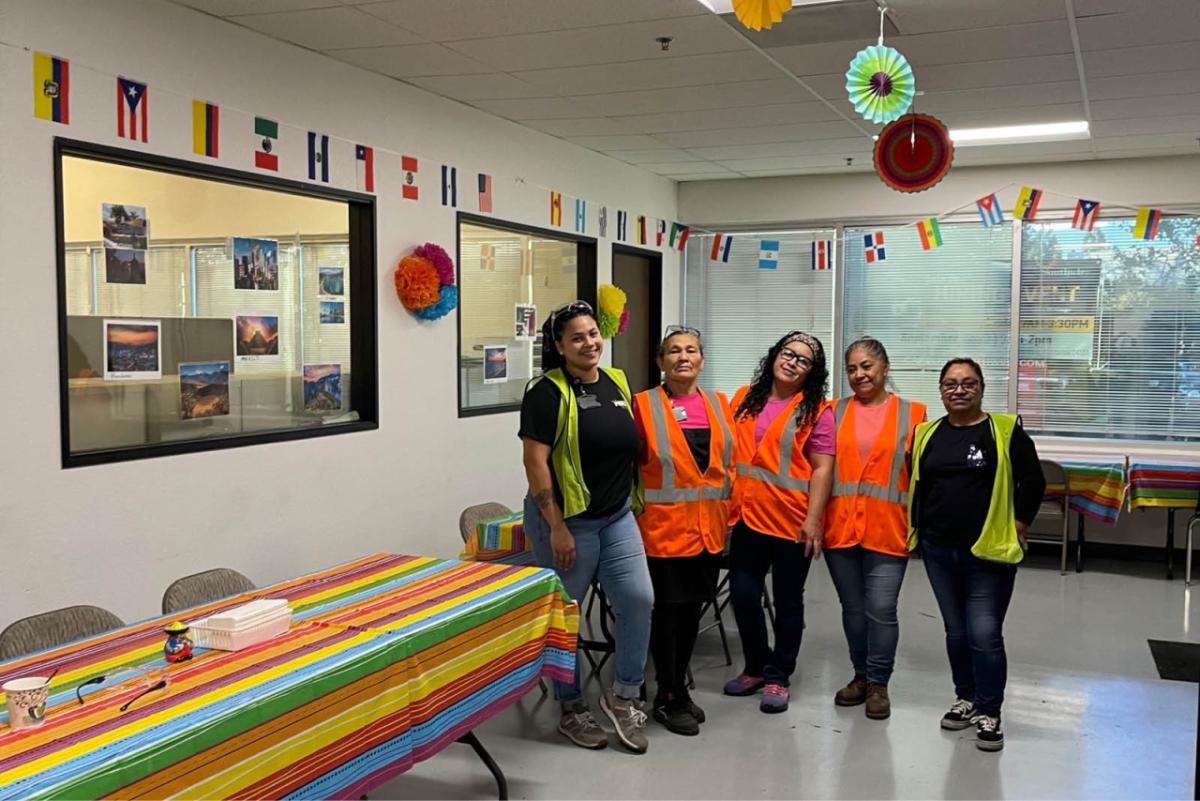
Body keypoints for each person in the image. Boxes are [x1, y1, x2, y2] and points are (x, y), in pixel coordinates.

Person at [519, 300, 654, 754]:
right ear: (559, 346)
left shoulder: (617, 380)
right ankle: (571, 708)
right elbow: (535, 463)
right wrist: (556, 526)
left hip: (616, 518)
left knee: (638, 599)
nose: (589, 343)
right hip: (568, 524)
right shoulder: (546, 392)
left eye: (593, 333)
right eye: (576, 337)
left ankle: (623, 695)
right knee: (566, 618)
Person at [908, 357, 1046, 752]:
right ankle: (966, 698)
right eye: (950, 384)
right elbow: (918, 482)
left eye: (968, 383)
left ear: (982, 388)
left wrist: (1018, 528)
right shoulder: (925, 433)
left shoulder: (1003, 431)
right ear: (940, 390)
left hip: (989, 553)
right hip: (938, 549)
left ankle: (990, 710)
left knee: (984, 634)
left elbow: (1032, 481)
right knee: (956, 631)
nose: (959, 390)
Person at [722, 331, 834, 713]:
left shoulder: (818, 409)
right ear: (775, 355)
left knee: (788, 603)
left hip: (790, 522)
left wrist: (814, 520)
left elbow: (822, 470)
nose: (793, 362)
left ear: (812, 371)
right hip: (746, 518)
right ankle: (755, 665)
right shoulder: (742, 398)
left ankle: (778, 676)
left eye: (804, 360)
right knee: (742, 596)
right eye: (789, 353)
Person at [632, 325, 734, 736]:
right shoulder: (641, 406)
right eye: (673, 351)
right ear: (661, 362)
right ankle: (668, 695)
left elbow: (730, 466)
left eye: (691, 350)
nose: (683, 357)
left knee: (693, 612)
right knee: (667, 614)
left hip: (708, 532)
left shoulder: (719, 404)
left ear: (702, 360)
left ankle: (678, 689)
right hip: (662, 533)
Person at [824, 337, 926, 720]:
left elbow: (924, 476)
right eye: (851, 368)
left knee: (881, 609)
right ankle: (861, 676)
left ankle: (880, 684)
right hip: (841, 528)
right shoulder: (832, 412)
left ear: (885, 368)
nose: (859, 374)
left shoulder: (914, 415)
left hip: (888, 528)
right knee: (852, 609)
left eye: (866, 366)